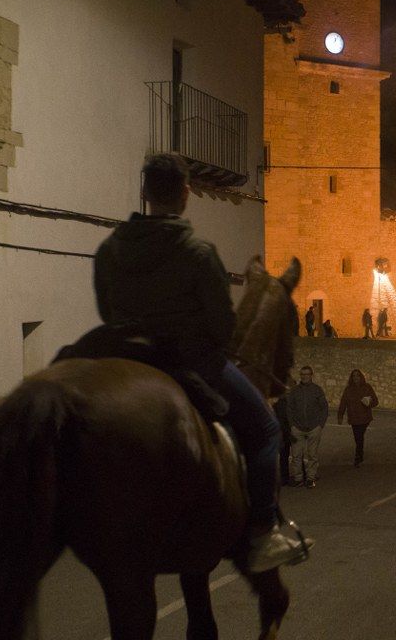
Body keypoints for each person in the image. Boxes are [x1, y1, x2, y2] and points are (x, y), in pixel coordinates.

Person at [93, 152, 304, 573]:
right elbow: (223, 325)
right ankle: (263, 532)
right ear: (186, 194)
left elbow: (106, 311)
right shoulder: (198, 251)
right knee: (265, 428)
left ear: (144, 192)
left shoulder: (110, 248)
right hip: (188, 361)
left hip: (128, 358)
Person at [284, 366, 328, 488]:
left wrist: (320, 425)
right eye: (302, 374)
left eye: (307, 374)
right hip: (297, 428)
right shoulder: (295, 391)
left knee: (312, 455)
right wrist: (292, 425)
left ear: (311, 375)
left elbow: (324, 408)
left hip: (314, 427)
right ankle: (298, 478)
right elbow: (289, 408)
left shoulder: (317, 390)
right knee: (296, 455)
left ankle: (310, 478)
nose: (304, 376)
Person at [337, 369, 378, 466]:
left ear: (361, 377)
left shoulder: (367, 387)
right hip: (354, 417)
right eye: (354, 376)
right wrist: (340, 415)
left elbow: (376, 401)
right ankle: (360, 453)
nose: (356, 378)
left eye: (357, 375)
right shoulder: (348, 389)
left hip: (364, 417)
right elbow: (343, 402)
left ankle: (358, 455)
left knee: (359, 435)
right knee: (358, 436)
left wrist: (369, 402)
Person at [274, 394, 294, 485]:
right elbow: (281, 417)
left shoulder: (281, 401)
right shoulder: (282, 402)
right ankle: (284, 477)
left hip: (287, 430)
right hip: (285, 431)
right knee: (284, 455)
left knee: (289, 455)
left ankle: (285, 477)